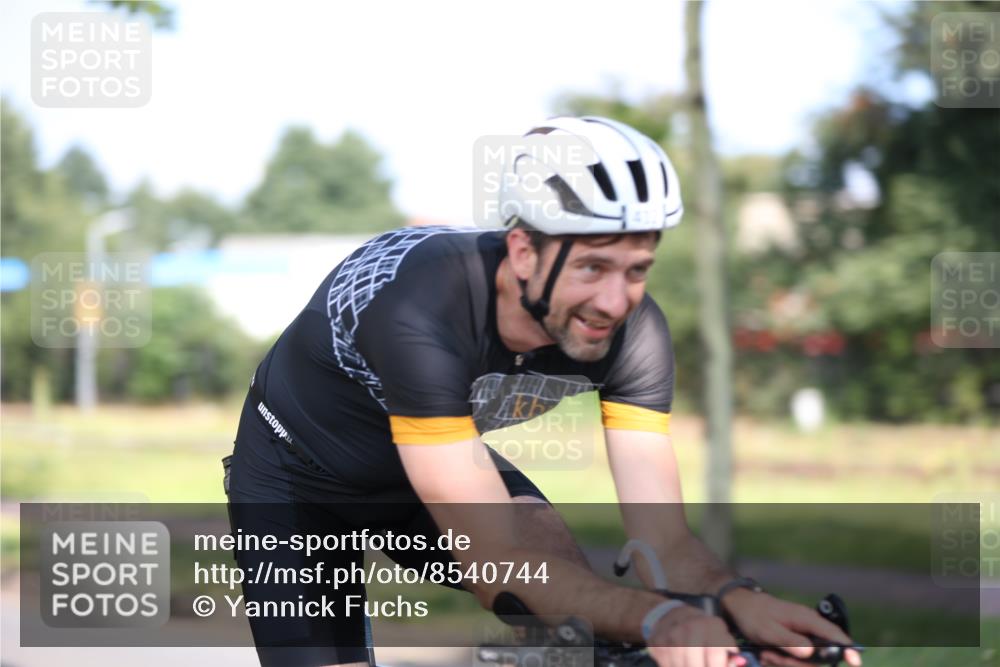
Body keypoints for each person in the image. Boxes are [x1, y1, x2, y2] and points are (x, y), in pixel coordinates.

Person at [225, 116, 860, 667]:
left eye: (636, 269)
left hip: (440, 460)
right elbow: (496, 562)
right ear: (524, 251)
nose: (614, 301)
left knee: (584, 627)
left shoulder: (636, 334)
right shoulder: (421, 307)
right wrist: (659, 620)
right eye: (592, 267)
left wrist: (742, 606)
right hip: (295, 480)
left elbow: (664, 544)